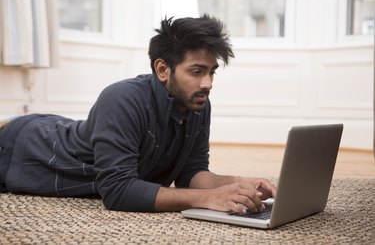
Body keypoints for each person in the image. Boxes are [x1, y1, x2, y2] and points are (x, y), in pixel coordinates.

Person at [0, 15, 276, 214]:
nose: (208, 83)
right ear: (163, 69)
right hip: (19, 147)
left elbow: (191, 172)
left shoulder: (198, 103)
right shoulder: (122, 98)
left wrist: (237, 183)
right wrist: (206, 199)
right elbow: (118, 191)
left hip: (61, 129)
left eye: (211, 72)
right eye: (196, 71)